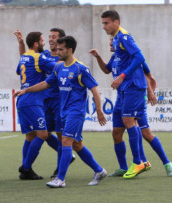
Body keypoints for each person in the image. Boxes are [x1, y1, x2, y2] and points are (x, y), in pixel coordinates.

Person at [14, 36, 107, 188]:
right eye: (57, 49)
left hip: (75, 111)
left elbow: (95, 90)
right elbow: (45, 83)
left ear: (70, 50)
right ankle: (99, 170)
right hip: (63, 111)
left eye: (61, 49)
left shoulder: (80, 68)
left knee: (65, 141)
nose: (57, 51)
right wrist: (26, 90)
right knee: (76, 145)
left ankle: (60, 178)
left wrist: (99, 111)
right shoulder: (58, 67)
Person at [100, 10, 172, 179]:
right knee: (120, 130)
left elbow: (140, 58)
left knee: (137, 127)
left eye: (106, 23)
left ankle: (140, 162)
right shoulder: (118, 49)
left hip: (133, 88)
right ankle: (136, 164)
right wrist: (149, 74)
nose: (103, 27)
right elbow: (113, 68)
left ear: (116, 22)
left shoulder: (124, 37)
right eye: (102, 23)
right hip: (125, 91)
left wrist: (129, 79)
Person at [14, 28, 75, 179]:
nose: (50, 40)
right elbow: (26, 58)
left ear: (62, 41)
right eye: (48, 37)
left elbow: (25, 59)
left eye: (54, 37)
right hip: (42, 101)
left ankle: (59, 169)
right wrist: (22, 44)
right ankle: (27, 167)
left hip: (58, 101)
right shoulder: (44, 56)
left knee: (59, 135)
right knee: (43, 134)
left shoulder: (65, 58)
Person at [15, 31, 58, 180]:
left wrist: (21, 44)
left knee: (30, 136)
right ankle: (25, 167)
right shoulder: (40, 58)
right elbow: (58, 67)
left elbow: (18, 70)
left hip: (22, 101)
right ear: (36, 44)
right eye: (42, 40)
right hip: (33, 102)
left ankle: (26, 170)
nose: (44, 42)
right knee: (43, 134)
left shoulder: (24, 57)